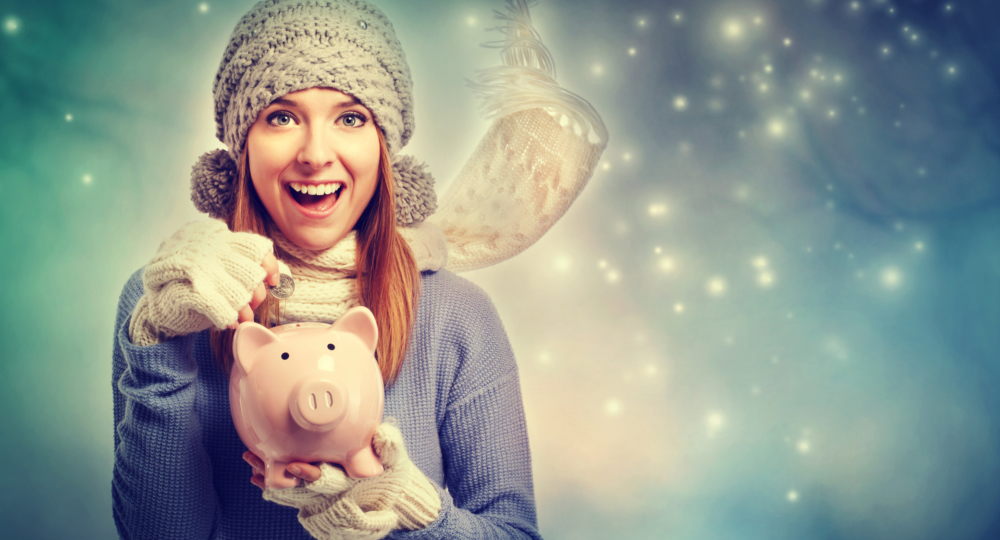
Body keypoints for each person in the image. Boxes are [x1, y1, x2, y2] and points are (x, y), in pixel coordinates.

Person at [111, 0, 607, 538]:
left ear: (383, 146)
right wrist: (160, 343)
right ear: (241, 145)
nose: (316, 154)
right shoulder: (169, 299)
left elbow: (514, 532)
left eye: (350, 117)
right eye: (281, 116)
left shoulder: (455, 315)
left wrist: (409, 510)